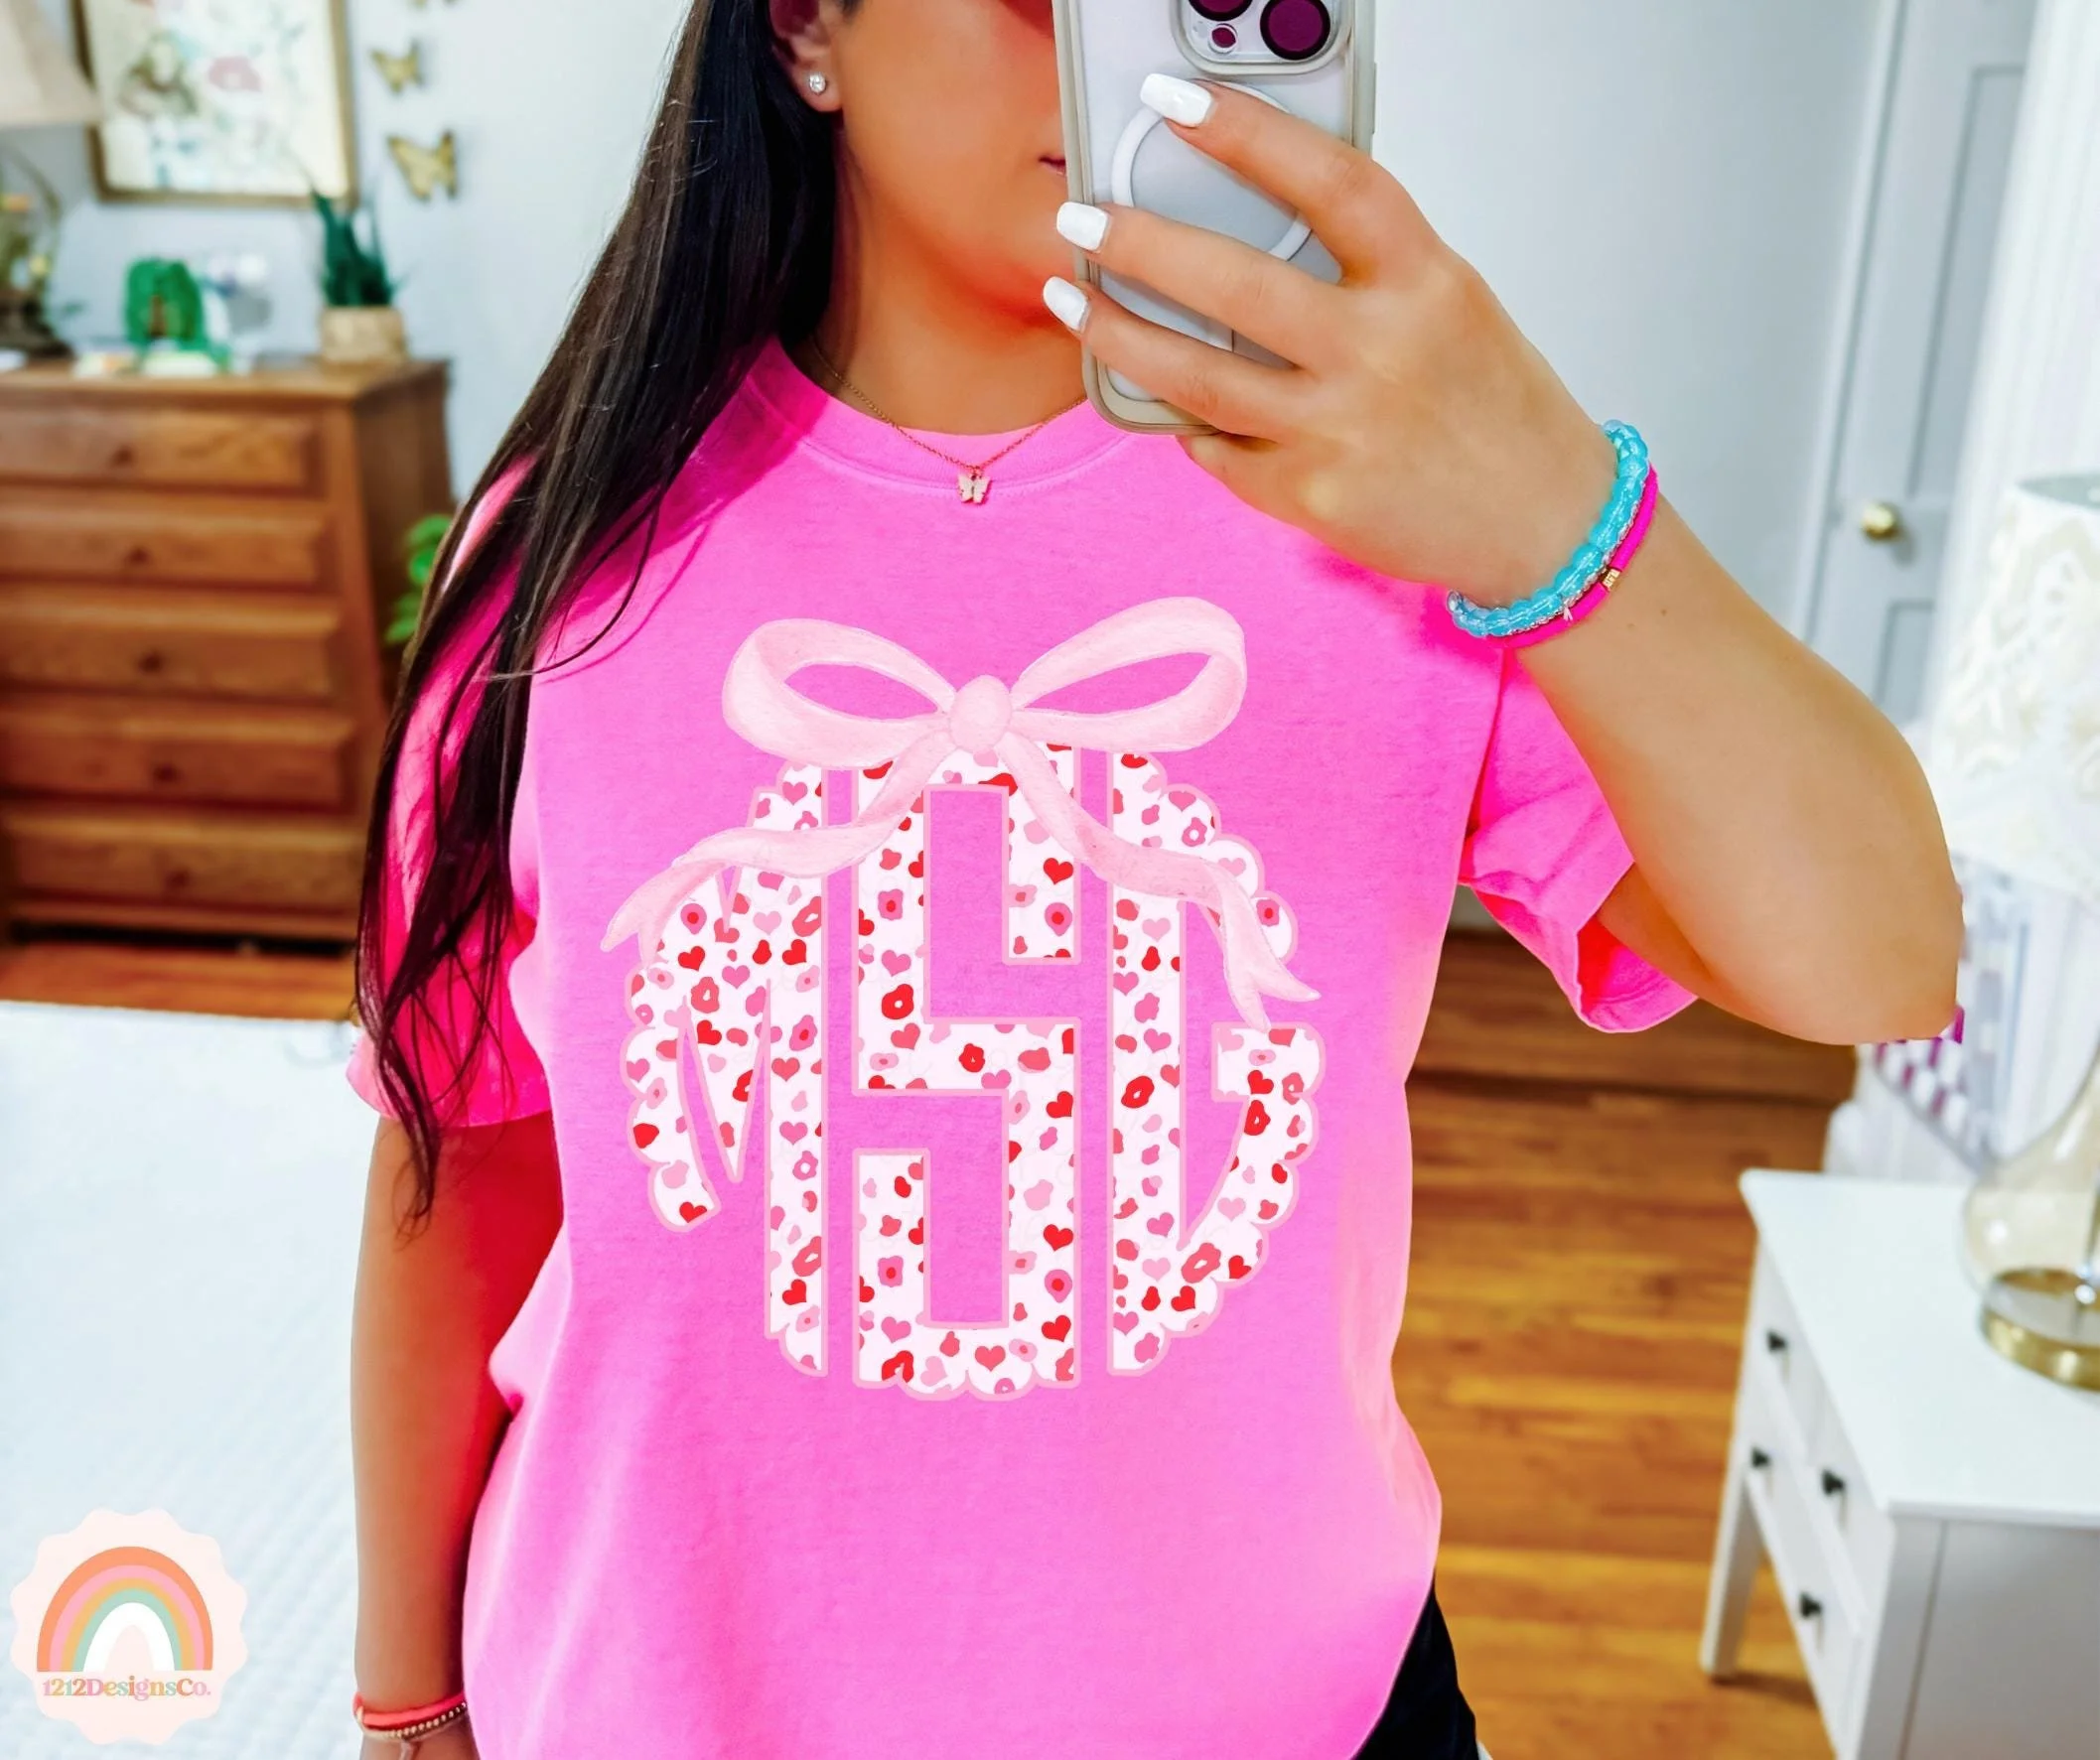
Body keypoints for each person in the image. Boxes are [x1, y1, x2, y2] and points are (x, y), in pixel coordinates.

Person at [348, 4, 1961, 1757]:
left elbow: (1874, 964)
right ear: (807, 23)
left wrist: (1557, 503)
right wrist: (401, 1683)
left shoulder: (1398, 522)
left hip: (1274, 1701)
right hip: (660, 1696)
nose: (1115, 48)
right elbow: (465, 1144)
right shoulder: (567, 554)